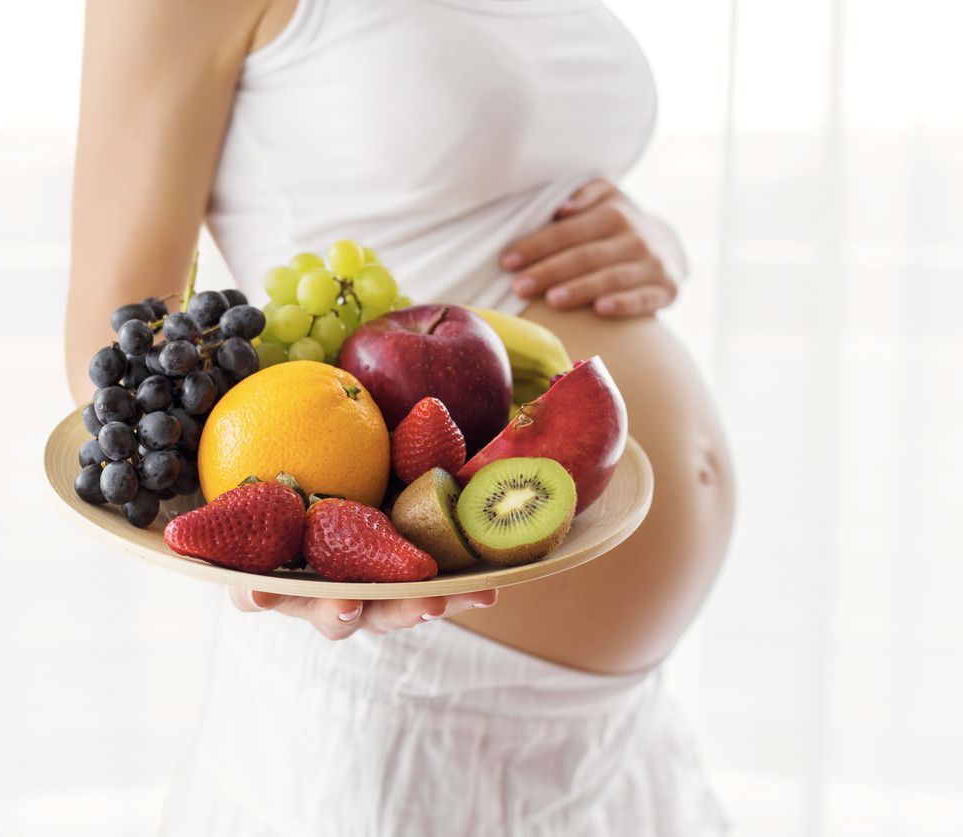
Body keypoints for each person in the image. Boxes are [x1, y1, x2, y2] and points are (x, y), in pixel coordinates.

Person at [64, 1, 735, 833]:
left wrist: (656, 240)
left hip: (616, 734)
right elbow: (120, 355)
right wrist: (284, 562)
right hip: (400, 700)